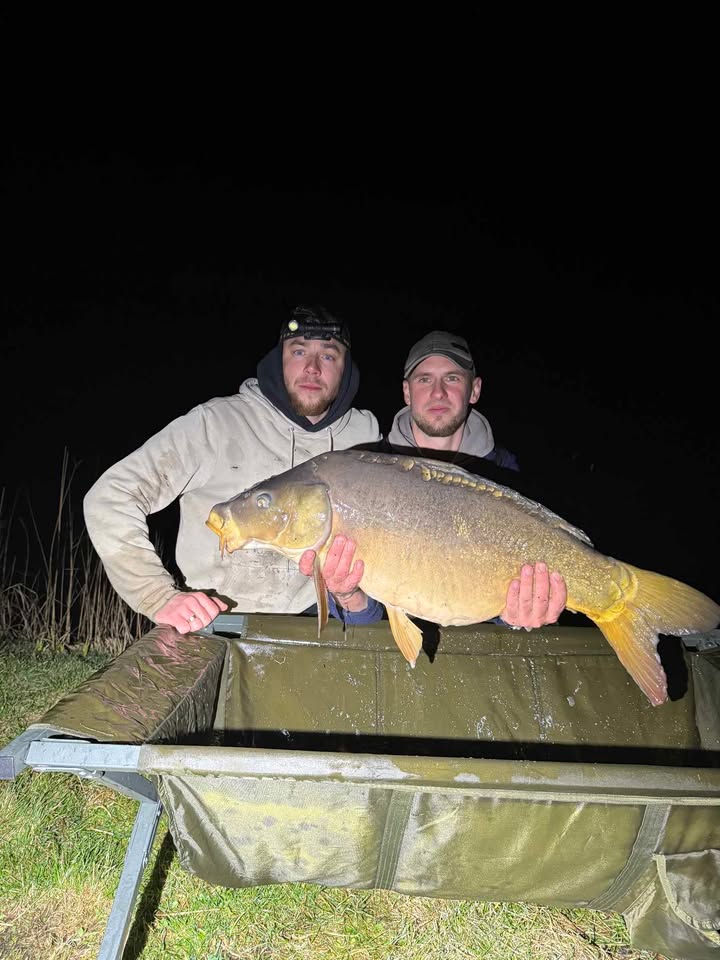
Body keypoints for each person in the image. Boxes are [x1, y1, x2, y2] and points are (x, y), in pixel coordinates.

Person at [84, 305, 384, 634]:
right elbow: (111, 496)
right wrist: (157, 596)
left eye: (328, 356)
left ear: (345, 367)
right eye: (299, 352)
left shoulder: (364, 440)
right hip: (216, 621)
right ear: (279, 358)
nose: (312, 368)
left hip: (314, 623)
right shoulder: (214, 425)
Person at [301, 330, 567, 629]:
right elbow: (367, 621)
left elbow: (507, 606)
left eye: (452, 378)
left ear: (474, 389)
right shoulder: (365, 471)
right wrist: (347, 595)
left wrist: (517, 618)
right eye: (424, 379)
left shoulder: (505, 475)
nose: (438, 392)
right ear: (406, 392)